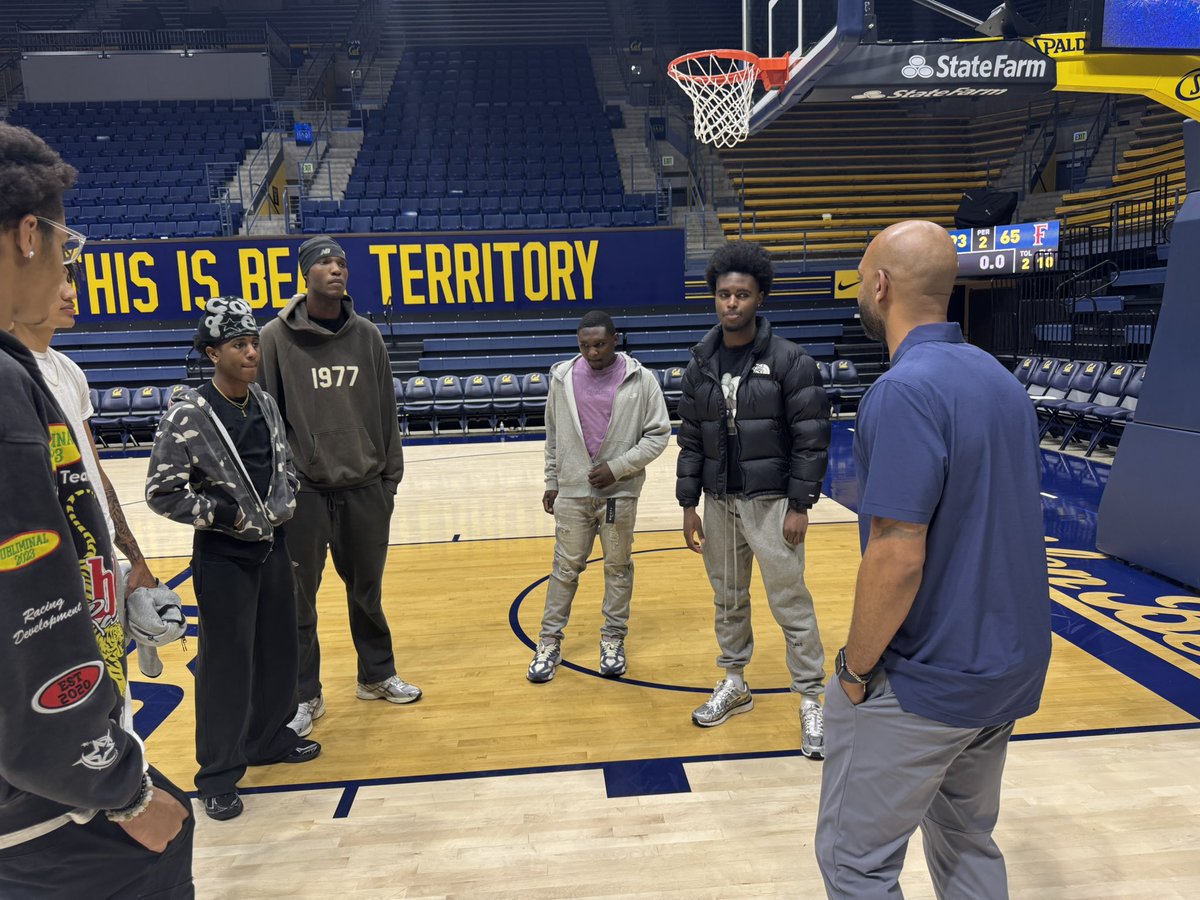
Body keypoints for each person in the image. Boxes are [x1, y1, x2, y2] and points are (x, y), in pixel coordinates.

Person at [814, 220, 1051, 897]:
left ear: (881, 286)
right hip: (1006, 672)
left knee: (855, 864)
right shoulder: (1001, 383)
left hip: (929, 680)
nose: (861, 290)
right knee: (967, 844)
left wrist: (854, 672)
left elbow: (897, 554)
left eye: (863, 278)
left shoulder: (903, 390)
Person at [0, 121, 193, 896]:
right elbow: (29, 620)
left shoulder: (40, 373)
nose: (65, 268)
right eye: (64, 243)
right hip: (40, 802)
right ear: (27, 234)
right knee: (160, 846)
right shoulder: (6, 384)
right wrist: (123, 791)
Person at [146, 297, 320, 821]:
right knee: (226, 666)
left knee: (279, 650)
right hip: (223, 556)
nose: (251, 352)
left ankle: (267, 739)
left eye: (253, 343)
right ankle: (217, 774)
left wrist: (285, 498)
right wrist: (223, 514)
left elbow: (284, 462)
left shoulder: (263, 401)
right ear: (212, 352)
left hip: (272, 547)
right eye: (239, 345)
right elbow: (162, 491)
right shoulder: (187, 413)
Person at [258, 235, 418, 739]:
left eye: (341, 262)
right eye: (325, 262)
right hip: (304, 492)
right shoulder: (275, 338)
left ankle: (376, 675)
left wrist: (389, 476)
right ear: (305, 273)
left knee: (367, 591)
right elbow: (265, 413)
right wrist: (283, 484)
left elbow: (387, 413)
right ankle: (306, 694)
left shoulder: (368, 335)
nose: (336, 268)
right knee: (300, 599)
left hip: (366, 486)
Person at [676, 239, 830, 759]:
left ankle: (812, 698)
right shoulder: (699, 364)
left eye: (742, 294)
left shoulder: (791, 361)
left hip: (771, 505)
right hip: (719, 505)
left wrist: (800, 505)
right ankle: (734, 681)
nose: (732, 303)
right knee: (728, 599)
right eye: (723, 294)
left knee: (790, 603)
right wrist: (688, 503)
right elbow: (691, 439)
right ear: (714, 299)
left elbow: (812, 437)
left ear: (760, 296)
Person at [528, 311, 670, 682]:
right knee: (564, 569)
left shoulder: (641, 380)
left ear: (615, 339)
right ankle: (548, 641)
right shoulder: (561, 377)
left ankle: (612, 639)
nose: (592, 352)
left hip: (618, 493)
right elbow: (553, 435)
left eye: (599, 344)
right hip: (573, 492)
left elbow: (658, 435)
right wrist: (551, 481)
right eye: (585, 345)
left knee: (617, 568)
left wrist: (618, 467)